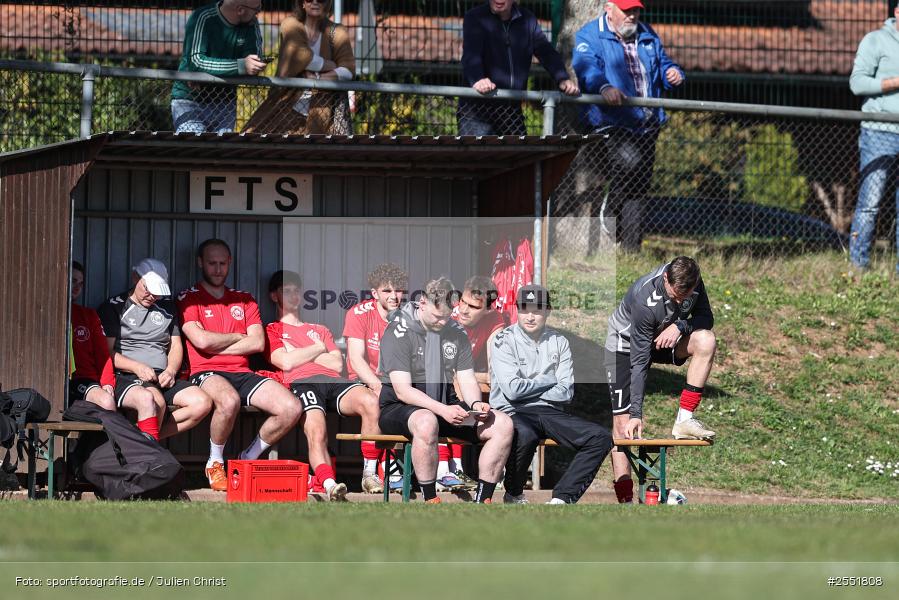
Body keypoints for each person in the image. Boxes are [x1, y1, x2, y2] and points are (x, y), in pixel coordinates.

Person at [177, 239, 302, 491]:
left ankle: (246, 460)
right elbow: (199, 340)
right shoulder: (189, 298)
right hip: (206, 372)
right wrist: (237, 336)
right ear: (200, 263)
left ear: (230, 263)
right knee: (229, 401)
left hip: (243, 372)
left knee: (291, 407)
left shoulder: (244, 299)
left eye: (223, 263)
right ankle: (214, 463)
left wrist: (214, 344)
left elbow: (257, 343)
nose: (218, 269)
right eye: (212, 263)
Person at [377, 277, 514, 504]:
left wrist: (474, 405)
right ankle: (431, 499)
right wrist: (443, 410)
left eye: (447, 317)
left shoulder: (456, 331)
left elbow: (466, 377)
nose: (442, 323)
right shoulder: (398, 331)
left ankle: (483, 500)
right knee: (426, 421)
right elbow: (402, 391)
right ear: (422, 303)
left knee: (502, 424)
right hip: (400, 408)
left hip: (445, 405)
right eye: (437, 316)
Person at [572, 0, 684, 251]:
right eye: (627, 11)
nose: (632, 16)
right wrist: (604, 87)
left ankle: (631, 247)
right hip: (612, 120)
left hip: (647, 122)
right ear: (609, 9)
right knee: (629, 162)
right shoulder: (590, 35)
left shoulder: (647, 34)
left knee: (640, 185)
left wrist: (673, 72)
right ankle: (610, 206)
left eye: (635, 11)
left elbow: (663, 63)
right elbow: (586, 67)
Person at [604, 256, 716, 504]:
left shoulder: (692, 281)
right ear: (666, 278)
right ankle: (625, 501)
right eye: (676, 297)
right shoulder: (645, 300)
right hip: (626, 347)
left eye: (685, 297)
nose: (681, 301)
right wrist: (636, 413)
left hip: (665, 336)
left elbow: (705, 318)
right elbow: (640, 362)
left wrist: (679, 325)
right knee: (623, 427)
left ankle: (684, 419)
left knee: (706, 339)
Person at [490, 285, 612, 505]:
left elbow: (566, 391)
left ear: (547, 312)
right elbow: (512, 390)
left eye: (537, 310)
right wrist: (548, 379)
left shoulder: (560, 341)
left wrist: (532, 388)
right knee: (525, 434)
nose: (530, 316)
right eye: (525, 309)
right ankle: (514, 493)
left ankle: (562, 498)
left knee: (600, 437)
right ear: (517, 309)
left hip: (548, 411)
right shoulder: (503, 340)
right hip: (512, 411)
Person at [266, 270, 381, 500]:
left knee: (370, 400)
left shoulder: (320, 329)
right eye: (286, 291)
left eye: (296, 290)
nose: (293, 295)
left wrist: (300, 353)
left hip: (333, 381)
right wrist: (318, 349)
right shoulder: (272, 329)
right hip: (302, 383)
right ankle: (328, 484)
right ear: (274, 296)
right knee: (317, 431)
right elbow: (285, 361)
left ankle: (369, 474)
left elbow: (337, 363)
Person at [98, 259, 212, 442]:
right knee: (156, 402)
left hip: (163, 376)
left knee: (202, 403)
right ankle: (146, 453)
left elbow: (175, 346)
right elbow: (106, 352)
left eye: (157, 293)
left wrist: (171, 370)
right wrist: (136, 367)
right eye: (147, 289)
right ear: (136, 278)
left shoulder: (167, 307)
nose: (152, 296)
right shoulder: (114, 307)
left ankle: (140, 441)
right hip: (128, 375)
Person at [459, 0, 579, 136]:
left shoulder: (527, 20)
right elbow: (471, 54)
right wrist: (478, 79)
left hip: (511, 111)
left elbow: (545, 51)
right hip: (478, 111)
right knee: (478, 156)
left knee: (519, 155)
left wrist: (562, 78)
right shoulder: (475, 17)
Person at [244, 0, 355, 134]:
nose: (315, 2)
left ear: (328, 4)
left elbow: (348, 70)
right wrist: (331, 65)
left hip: (322, 109)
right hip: (285, 105)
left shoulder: (337, 31)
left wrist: (317, 78)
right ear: (302, 3)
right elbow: (302, 56)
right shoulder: (290, 24)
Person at [342, 263, 408, 491]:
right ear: (375, 293)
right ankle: (370, 473)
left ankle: (439, 472)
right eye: (387, 291)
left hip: (397, 382)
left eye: (398, 290)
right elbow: (356, 359)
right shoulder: (359, 313)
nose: (394, 296)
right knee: (373, 401)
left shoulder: (409, 317)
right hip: (363, 381)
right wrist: (377, 385)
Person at [442, 275, 509, 491]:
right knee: (457, 383)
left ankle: (499, 465)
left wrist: (488, 377)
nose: (463, 310)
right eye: (463, 302)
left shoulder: (495, 319)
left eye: (472, 306)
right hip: (437, 383)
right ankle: (449, 468)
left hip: (466, 378)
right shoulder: (446, 317)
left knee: (496, 386)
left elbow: (495, 367)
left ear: (488, 310)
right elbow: (444, 371)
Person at [848, 4, 899, 274]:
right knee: (870, 202)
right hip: (880, 131)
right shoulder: (875, 40)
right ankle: (858, 266)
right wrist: (894, 82)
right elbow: (857, 83)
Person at [171, 0, 265, 134]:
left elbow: (254, 61)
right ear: (240, 10)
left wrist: (205, 74)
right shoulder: (202, 17)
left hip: (225, 102)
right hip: (190, 100)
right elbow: (197, 62)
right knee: (196, 147)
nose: (258, 13)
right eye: (257, 9)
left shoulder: (251, 23)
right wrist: (240, 66)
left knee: (220, 151)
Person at [69, 261, 116, 413]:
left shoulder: (88, 315)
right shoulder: (45, 312)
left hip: (84, 380)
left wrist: (108, 382)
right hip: (54, 384)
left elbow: (103, 354)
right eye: (73, 281)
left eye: (81, 284)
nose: (77, 287)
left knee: (107, 402)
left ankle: (137, 437)